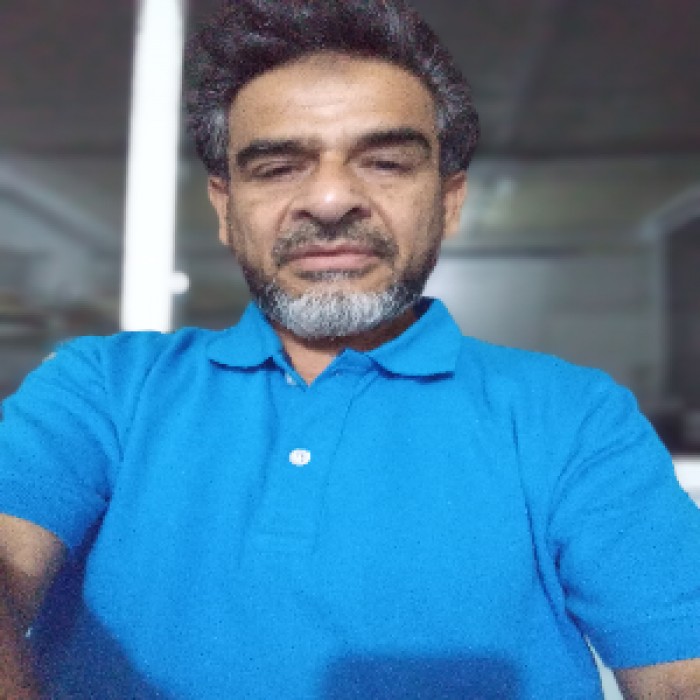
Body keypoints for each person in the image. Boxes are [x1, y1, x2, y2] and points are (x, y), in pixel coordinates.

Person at [1, 0, 699, 697]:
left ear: (449, 201)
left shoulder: (574, 417)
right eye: (278, 167)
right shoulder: (101, 387)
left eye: (386, 162)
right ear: (224, 208)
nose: (331, 200)